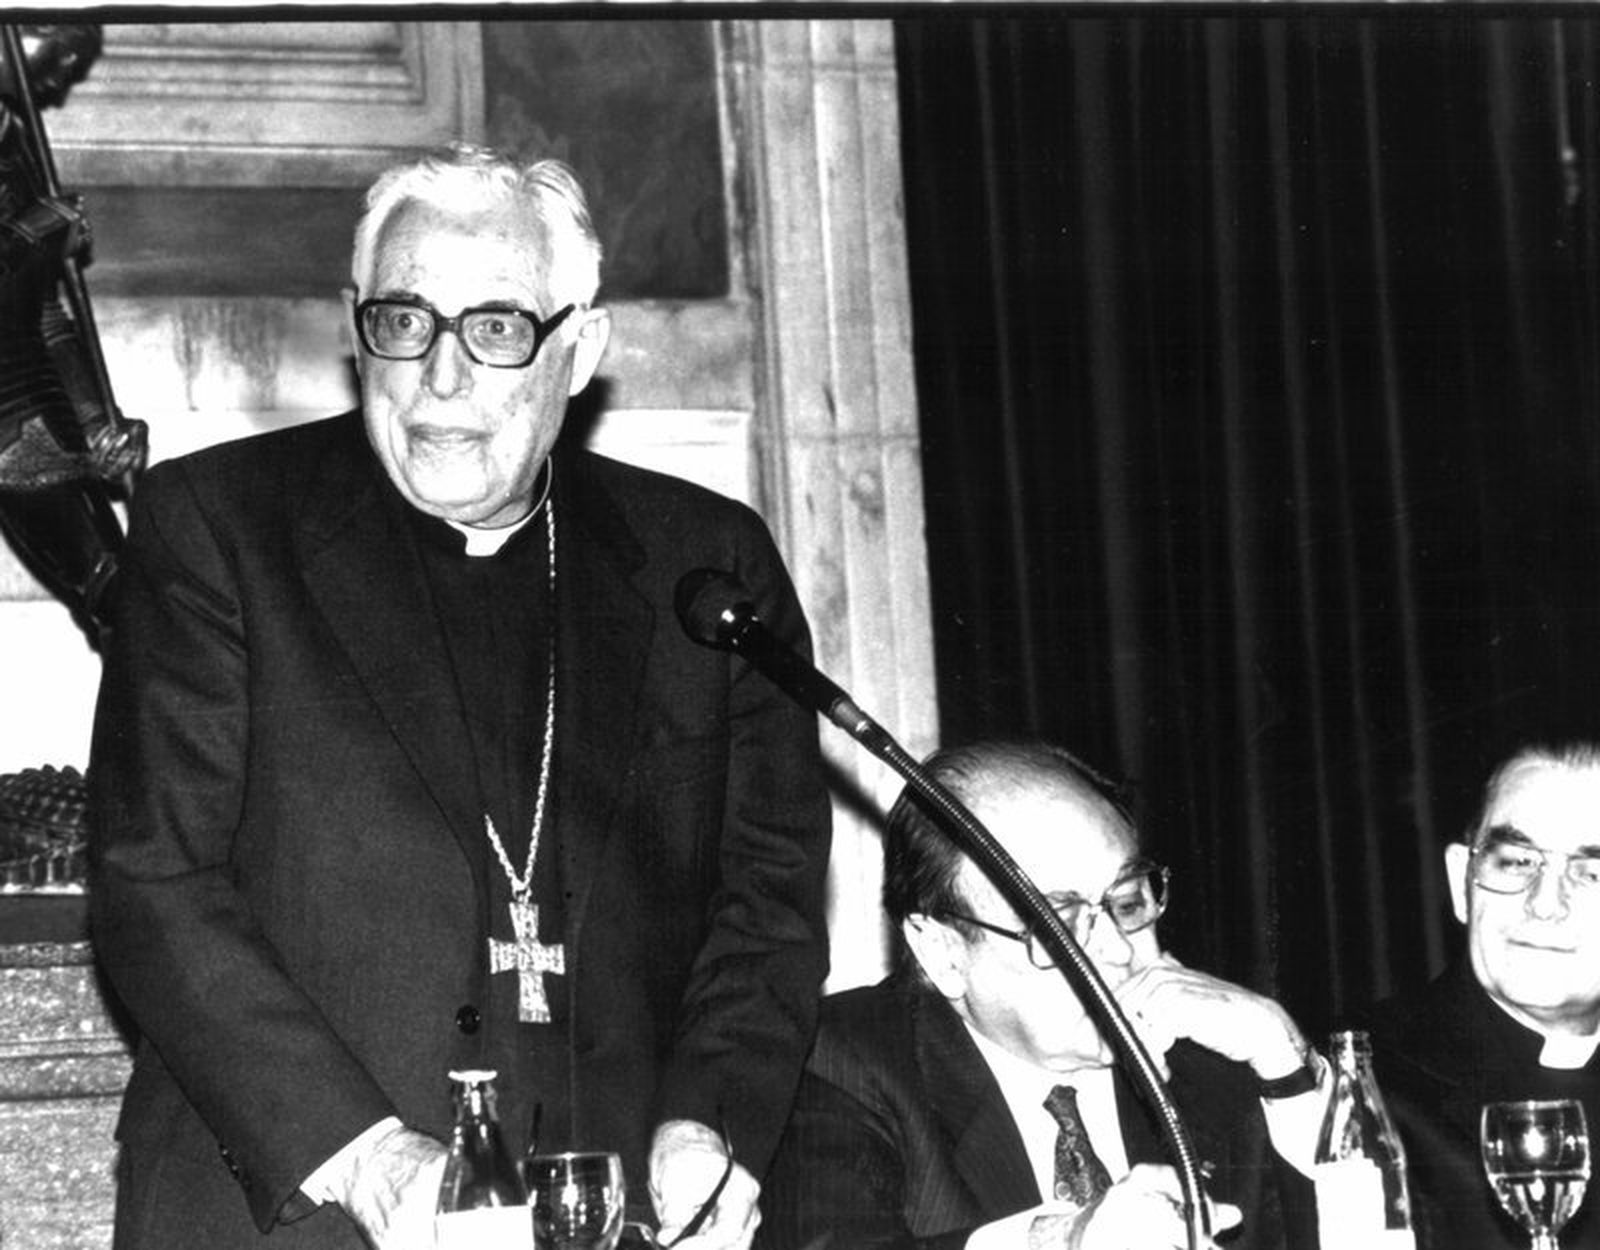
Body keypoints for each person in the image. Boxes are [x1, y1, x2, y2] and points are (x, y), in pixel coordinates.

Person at [87, 143, 832, 1250]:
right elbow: (154, 883)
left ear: (580, 350)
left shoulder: (703, 564)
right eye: (404, 321)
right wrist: (369, 1157)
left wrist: (705, 1123)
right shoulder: (221, 529)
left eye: (495, 329)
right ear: (357, 331)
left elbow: (766, 902)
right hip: (298, 1212)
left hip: (618, 1210)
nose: (440, 377)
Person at [757, 739, 1320, 1250]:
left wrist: (1285, 1065)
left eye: (1127, 902)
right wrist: (1062, 1241)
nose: (1120, 951)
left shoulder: (1212, 1055)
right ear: (943, 952)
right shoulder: (837, 1059)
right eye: (1058, 925)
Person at [1365, 741, 1600, 1248]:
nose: (1545, 904)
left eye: (1592, 873)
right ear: (1461, 881)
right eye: (1515, 862)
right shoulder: (1355, 1085)